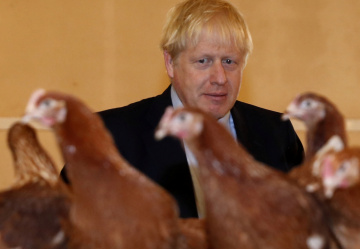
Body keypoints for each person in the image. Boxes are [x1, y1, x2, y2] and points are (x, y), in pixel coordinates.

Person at [63, 0, 304, 218]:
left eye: (229, 62)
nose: (220, 78)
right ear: (170, 63)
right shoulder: (109, 138)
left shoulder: (277, 134)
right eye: (204, 61)